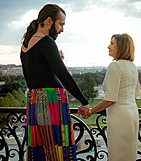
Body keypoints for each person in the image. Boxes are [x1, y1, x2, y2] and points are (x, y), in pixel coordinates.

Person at [20, 4, 89, 161]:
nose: (62, 29)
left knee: (41, 150)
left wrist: (56, 58)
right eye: (61, 24)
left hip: (35, 103)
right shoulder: (47, 42)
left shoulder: (25, 45)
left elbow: (37, 75)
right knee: (56, 149)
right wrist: (84, 101)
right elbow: (64, 76)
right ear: (49, 21)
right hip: (51, 104)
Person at [79, 33, 141, 161]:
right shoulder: (132, 66)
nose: (108, 46)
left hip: (119, 116)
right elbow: (135, 93)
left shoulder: (115, 66)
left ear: (121, 47)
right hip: (133, 113)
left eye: (112, 43)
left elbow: (111, 98)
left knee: (118, 155)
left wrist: (91, 111)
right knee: (129, 154)